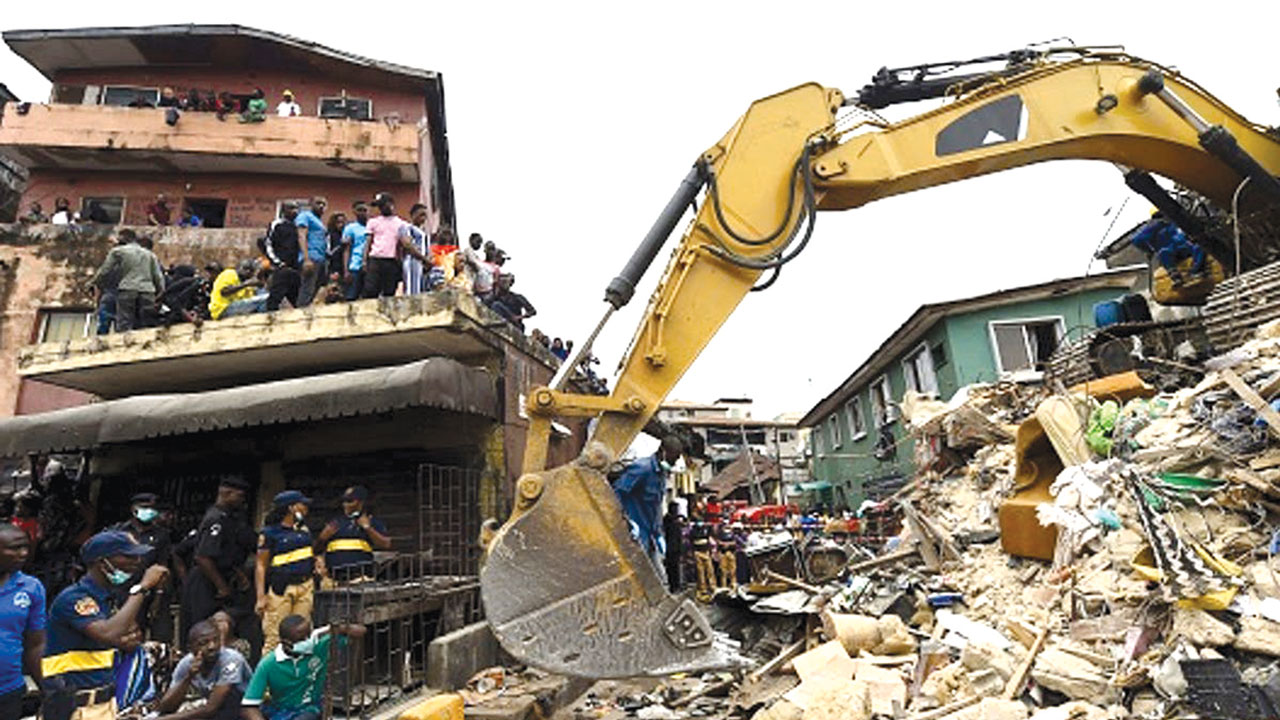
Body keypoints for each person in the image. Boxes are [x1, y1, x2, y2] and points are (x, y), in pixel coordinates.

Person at [42, 531, 168, 720]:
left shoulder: (109, 597)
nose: (137, 560)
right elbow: (110, 634)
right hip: (75, 707)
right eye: (128, 556)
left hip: (104, 703)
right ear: (103, 563)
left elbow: (132, 636)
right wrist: (142, 588)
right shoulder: (74, 598)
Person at [180, 478, 256, 657]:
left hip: (221, 577)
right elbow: (203, 557)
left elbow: (230, 554)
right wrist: (222, 586)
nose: (242, 500)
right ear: (227, 494)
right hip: (206, 581)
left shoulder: (231, 519)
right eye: (240, 496)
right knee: (202, 628)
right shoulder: (216, 519)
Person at [241, 615, 365, 720]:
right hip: (281, 710)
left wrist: (336, 628)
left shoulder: (319, 646)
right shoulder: (268, 664)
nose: (307, 642)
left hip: (310, 708)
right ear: (286, 643)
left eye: (309, 635)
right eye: (301, 639)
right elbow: (249, 706)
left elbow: (360, 631)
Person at [611, 436, 684, 585]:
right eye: (673, 458)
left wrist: (658, 534)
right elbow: (616, 493)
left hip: (650, 536)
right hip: (634, 535)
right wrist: (625, 521)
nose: (674, 462)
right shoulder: (642, 469)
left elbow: (655, 506)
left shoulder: (662, 474)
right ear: (663, 452)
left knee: (660, 581)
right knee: (638, 582)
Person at [255, 491, 321, 655]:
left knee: (302, 635)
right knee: (275, 637)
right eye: (302, 504)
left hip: (305, 586)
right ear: (291, 508)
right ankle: (268, 679)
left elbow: (309, 554)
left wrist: (317, 563)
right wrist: (260, 596)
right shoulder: (270, 533)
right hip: (281, 589)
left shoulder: (304, 531)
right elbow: (261, 564)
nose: (305, 508)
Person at [152, 621, 252, 720]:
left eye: (216, 640)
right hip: (218, 711)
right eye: (204, 643)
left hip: (245, 709)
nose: (212, 646)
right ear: (191, 648)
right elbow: (165, 706)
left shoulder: (231, 660)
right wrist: (189, 677)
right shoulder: (187, 663)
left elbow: (211, 708)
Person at [109, 493, 175, 643]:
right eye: (144, 508)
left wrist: (158, 597)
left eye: (152, 508)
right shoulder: (119, 532)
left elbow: (162, 567)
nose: (149, 511)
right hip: (123, 590)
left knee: (150, 635)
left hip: (148, 592)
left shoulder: (161, 535)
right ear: (133, 509)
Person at [0, 524, 46, 720]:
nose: (24, 553)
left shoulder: (31, 588)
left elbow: (35, 644)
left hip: (9, 691)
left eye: (26, 546)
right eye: (15, 548)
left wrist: (47, 688)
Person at [91, 229, 165, 332]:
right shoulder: (150, 255)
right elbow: (158, 276)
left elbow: (104, 271)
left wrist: (93, 282)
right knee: (145, 325)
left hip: (127, 289)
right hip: (148, 291)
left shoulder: (118, 252)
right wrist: (160, 292)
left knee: (124, 324)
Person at [315, 486, 391, 583]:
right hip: (334, 579)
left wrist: (368, 528)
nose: (345, 504)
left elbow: (386, 544)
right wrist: (322, 537)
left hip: (360, 578)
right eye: (344, 501)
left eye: (350, 501)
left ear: (360, 502)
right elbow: (316, 550)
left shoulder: (371, 521)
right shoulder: (334, 522)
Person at [361, 193, 430, 298]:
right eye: (379, 206)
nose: (381, 208)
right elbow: (368, 242)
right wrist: (364, 261)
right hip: (375, 259)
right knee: (371, 289)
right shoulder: (373, 222)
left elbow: (405, 243)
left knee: (389, 291)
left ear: (391, 205)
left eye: (382, 205)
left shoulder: (401, 224)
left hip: (391, 260)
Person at [1130, 211, 1208, 286]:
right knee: (1164, 252)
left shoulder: (1173, 222)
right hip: (1171, 253)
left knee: (1201, 245)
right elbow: (1136, 239)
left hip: (1183, 247)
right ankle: (1176, 276)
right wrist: (1149, 250)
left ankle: (1196, 270)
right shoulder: (1153, 227)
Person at [264, 202, 303, 311]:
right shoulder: (276, 224)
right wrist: (278, 263)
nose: (294, 211)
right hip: (282, 268)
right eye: (291, 208)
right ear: (283, 210)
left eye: (296, 208)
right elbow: (268, 244)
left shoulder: (299, 227)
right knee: (276, 297)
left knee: (296, 299)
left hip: (296, 269)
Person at [294, 197, 328, 307]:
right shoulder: (305, 216)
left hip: (320, 258)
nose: (321, 206)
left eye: (323, 204)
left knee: (314, 290)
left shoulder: (318, 221)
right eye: (318, 203)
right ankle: (300, 314)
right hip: (310, 257)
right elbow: (301, 236)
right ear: (311, 204)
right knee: (307, 289)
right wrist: (306, 259)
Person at [342, 202, 370, 300]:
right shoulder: (350, 228)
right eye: (359, 210)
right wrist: (346, 270)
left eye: (365, 210)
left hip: (370, 266)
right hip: (354, 266)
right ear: (354, 212)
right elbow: (346, 250)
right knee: (351, 296)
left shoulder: (372, 226)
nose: (362, 213)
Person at [402, 204, 431, 295]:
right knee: (411, 288)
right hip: (413, 260)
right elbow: (408, 246)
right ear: (413, 215)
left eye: (425, 216)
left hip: (422, 263)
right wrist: (424, 259)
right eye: (421, 215)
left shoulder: (423, 231)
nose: (423, 218)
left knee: (420, 288)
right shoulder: (407, 228)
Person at [661, 502, 684, 594]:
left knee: (676, 568)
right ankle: (673, 586)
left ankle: (677, 585)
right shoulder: (668, 520)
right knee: (671, 568)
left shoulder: (675, 520)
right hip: (669, 548)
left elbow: (679, 536)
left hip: (676, 548)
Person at [325, 212, 347, 287]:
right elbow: (329, 253)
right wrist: (341, 246)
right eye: (338, 222)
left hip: (345, 269)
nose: (341, 225)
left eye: (343, 222)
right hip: (333, 268)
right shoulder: (330, 235)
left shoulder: (346, 234)